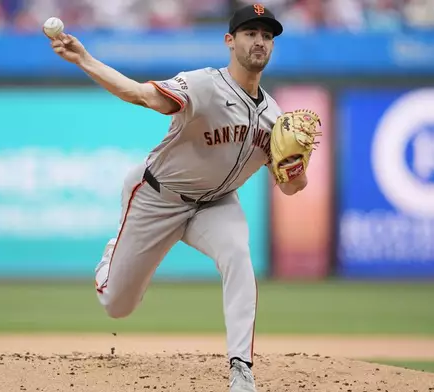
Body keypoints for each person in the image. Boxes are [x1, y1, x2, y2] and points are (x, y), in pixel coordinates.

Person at [46, 4, 309, 391]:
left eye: (267, 36)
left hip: (216, 203)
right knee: (117, 305)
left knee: (238, 254)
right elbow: (139, 94)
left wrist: (296, 168)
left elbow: (290, 187)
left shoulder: (275, 116)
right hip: (157, 196)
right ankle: (113, 254)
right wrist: (85, 59)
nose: (260, 42)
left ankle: (241, 368)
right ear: (229, 41)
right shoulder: (204, 85)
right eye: (251, 33)